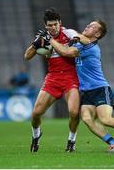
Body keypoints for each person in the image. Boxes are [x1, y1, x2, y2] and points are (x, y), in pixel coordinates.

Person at [46, 19, 114, 152]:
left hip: (100, 89)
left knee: (106, 119)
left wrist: (51, 40)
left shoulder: (92, 47)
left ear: (97, 34)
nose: (87, 26)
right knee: (86, 118)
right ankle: (113, 144)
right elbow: (73, 43)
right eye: (88, 24)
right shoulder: (80, 45)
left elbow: (68, 50)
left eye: (91, 26)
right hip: (86, 92)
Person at [24, 8, 90, 153]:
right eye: (50, 25)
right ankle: (36, 136)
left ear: (60, 23)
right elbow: (27, 56)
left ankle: (71, 141)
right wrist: (36, 44)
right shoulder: (43, 38)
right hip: (53, 78)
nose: (53, 28)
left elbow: (87, 40)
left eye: (55, 24)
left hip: (70, 77)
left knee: (73, 112)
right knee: (35, 114)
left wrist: (77, 38)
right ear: (45, 25)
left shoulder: (68, 33)